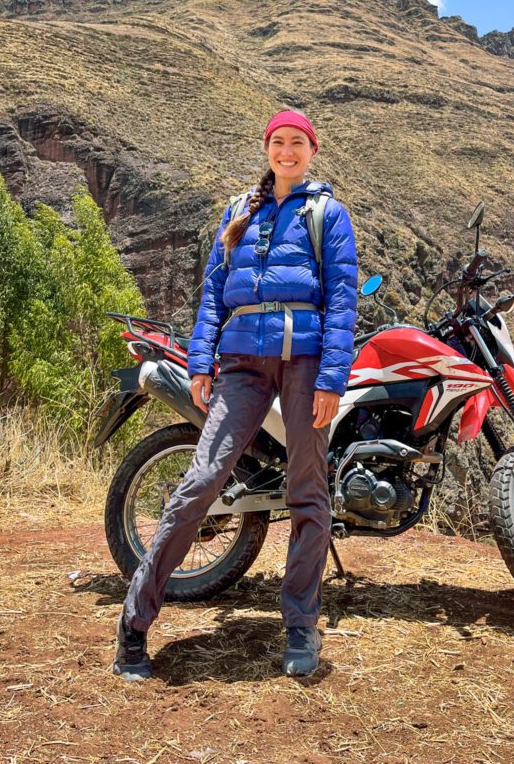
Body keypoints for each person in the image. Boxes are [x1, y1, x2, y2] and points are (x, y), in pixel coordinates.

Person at [113, 109, 358, 680]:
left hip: (305, 361)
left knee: (308, 495)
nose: (287, 152)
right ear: (268, 149)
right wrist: (201, 361)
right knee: (201, 481)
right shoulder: (238, 212)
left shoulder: (329, 215)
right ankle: (134, 623)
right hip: (242, 362)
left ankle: (300, 626)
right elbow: (212, 295)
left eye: (297, 143)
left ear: (312, 150)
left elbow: (343, 303)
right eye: (279, 142)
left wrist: (330, 380)